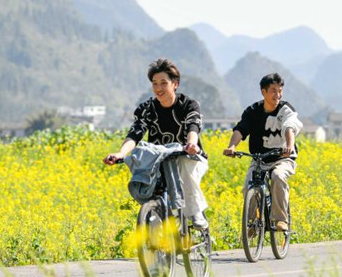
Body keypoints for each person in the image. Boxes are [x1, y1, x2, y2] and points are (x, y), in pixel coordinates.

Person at [103, 58, 209, 229]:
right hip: (159, 158)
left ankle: (195, 211)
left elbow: (193, 127)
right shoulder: (147, 109)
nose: (158, 88)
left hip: (190, 156)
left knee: (183, 165)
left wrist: (191, 145)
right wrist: (120, 154)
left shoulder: (188, 105)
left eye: (163, 83)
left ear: (175, 84)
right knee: (152, 187)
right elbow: (135, 134)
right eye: (154, 83)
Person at [223, 73, 302, 232]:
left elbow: (290, 127)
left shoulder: (285, 109)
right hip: (259, 159)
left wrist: (289, 145)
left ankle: (281, 219)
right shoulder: (253, 111)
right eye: (273, 91)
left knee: (278, 176)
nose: (277, 95)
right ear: (263, 92)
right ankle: (252, 224)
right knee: (248, 186)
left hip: (282, 158)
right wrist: (232, 146)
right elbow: (241, 129)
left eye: (280, 91)